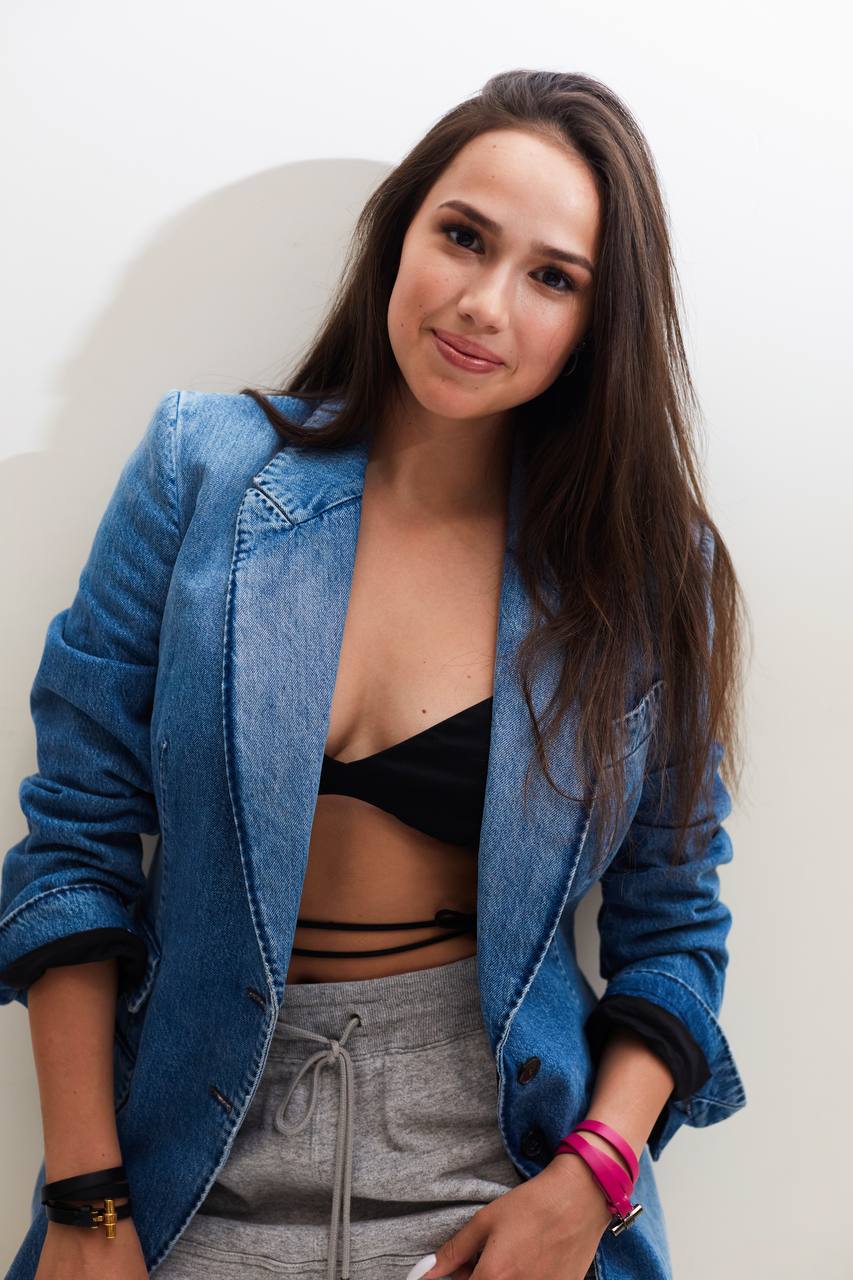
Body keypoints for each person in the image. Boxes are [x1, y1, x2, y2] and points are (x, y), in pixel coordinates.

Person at [0, 69, 748, 1280]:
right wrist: (86, 1195)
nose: (483, 303)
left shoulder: (643, 572)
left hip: (496, 1169)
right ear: (402, 231)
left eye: (552, 277)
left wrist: (589, 1183)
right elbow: (76, 845)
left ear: (594, 324)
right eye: (463, 237)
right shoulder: (199, 470)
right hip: (189, 1161)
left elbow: (673, 931)